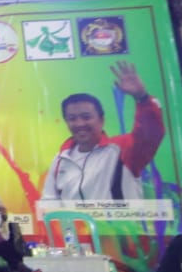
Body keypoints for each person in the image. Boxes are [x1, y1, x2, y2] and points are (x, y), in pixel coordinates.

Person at [42, 61, 165, 201]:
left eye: (86, 117)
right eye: (72, 119)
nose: (80, 124)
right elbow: (49, 201)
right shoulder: (61, 159)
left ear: (101, 120)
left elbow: (151, 133)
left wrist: (142, 98)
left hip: (124, 217)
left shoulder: (123, 149)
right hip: (72, 217)